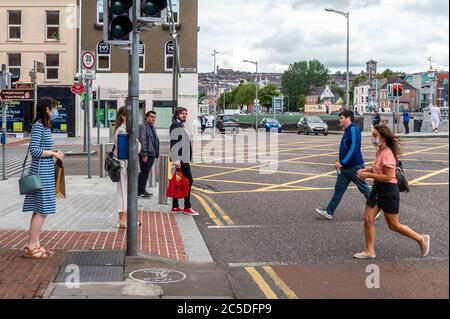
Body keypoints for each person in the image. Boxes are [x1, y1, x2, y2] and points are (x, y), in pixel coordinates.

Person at [354, 125, 430, 259]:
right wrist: (367, 170)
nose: (372, 138)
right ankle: (369, 250)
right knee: (368, 218)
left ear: (382, 138)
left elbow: (388, 177)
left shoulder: (388, 153)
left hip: (389, 191)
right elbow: (378, 169)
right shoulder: (380, 150)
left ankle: (421, 239)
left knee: (394, 225)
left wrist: (368, 176)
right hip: (378, 189)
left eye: (374, 135)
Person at [315, 110, 379, 221]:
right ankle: (329, 212)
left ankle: (376, 210)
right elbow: (346, 148)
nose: (339, 120)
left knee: (364, 188)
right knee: (339, 189)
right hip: (345, 168)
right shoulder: (348, 130)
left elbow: (353, 148)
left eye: (341, 118)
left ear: (348, 118)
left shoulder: (354, 129)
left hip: (354, 166)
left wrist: (342, 162)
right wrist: (341, 162)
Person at [23, 97, 65, 259]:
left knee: (40, 209)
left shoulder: (44, 126)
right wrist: (54, 153)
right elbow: (34, 150)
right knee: (42, 210)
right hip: (41, 174)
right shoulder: (39, 126)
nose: (55, 111)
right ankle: (32, 245)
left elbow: (42, 148)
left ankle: (34, 244)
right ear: (47, 109)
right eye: (53, 108)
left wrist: (54, 151)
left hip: (45, 171)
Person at [170, 107, 199, 216]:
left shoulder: (180, 125)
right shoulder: (175, 125)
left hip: (183, 158)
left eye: (186, 113)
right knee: (189, 181)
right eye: (182, 113)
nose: (185, 115)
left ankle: (175, 206)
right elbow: (173, 142)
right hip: (181, 159)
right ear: (177, 114)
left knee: (179, 181)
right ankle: (187, 207)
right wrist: (176, 159)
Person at [138, 111, 160, 198]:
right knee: (143, 173)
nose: (153, 119)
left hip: (152, 154)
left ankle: (142, 190)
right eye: (151, 117)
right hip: (147, 155)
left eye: (154, 117)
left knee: (146, 173)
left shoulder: (152, 127)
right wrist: (144, 154)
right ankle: (140, 191)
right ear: (146, 117)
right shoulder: (143, 127)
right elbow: (142, 141)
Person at [115, 106, 128, 228]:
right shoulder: (122, 130)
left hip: (125, 164)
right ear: (123, 116)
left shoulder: (125, 129)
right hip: (124, 165)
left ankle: (123, 219)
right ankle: (122, 220)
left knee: (125, 191)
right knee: (123, 191)